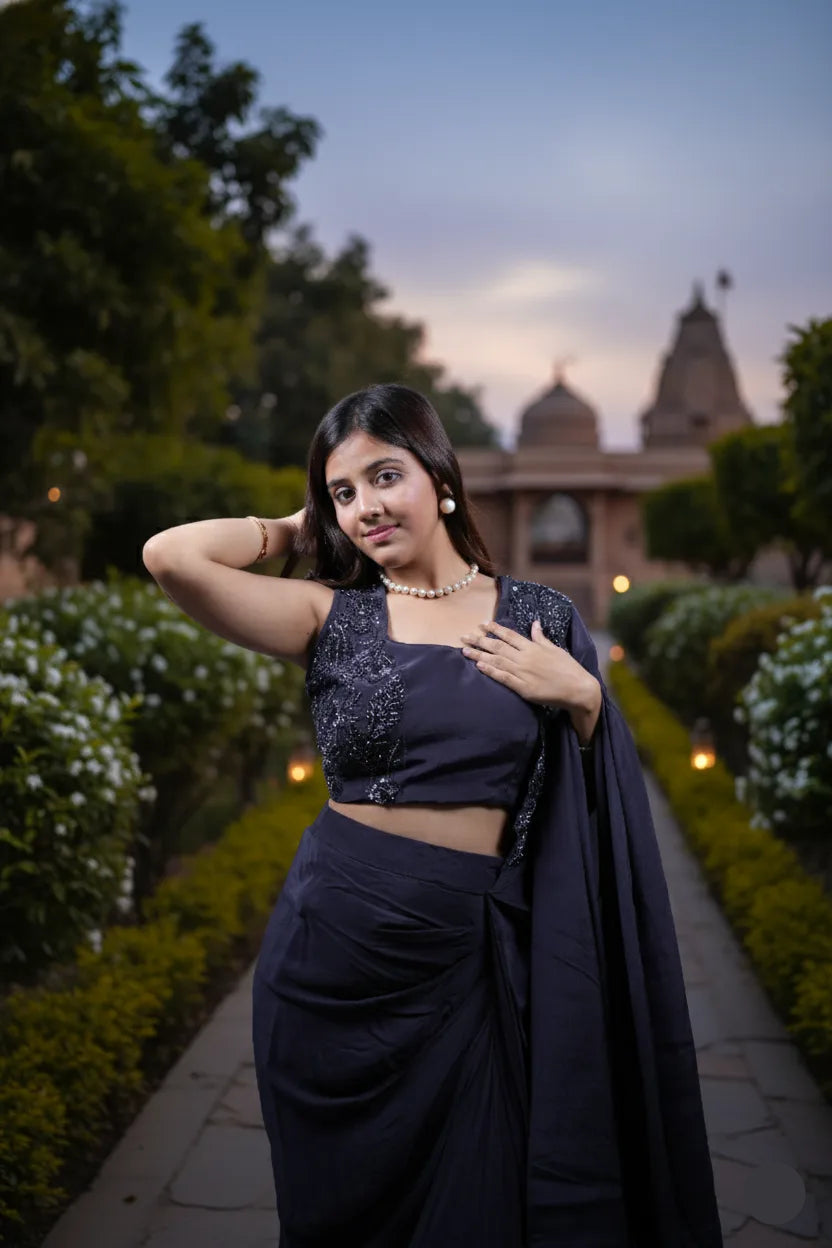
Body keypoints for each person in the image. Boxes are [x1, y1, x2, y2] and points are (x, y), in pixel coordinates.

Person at [142, 383, 723, 1248]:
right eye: (344, 492)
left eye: (386, 476)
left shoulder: (540, 618)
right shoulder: (329, 616)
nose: (367, 507)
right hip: (333, 964)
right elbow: (171, 557)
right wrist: (295, 531)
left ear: (441, 479)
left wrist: (586, 698)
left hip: (474, 968)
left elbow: (592, 791)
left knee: (485, 1203)